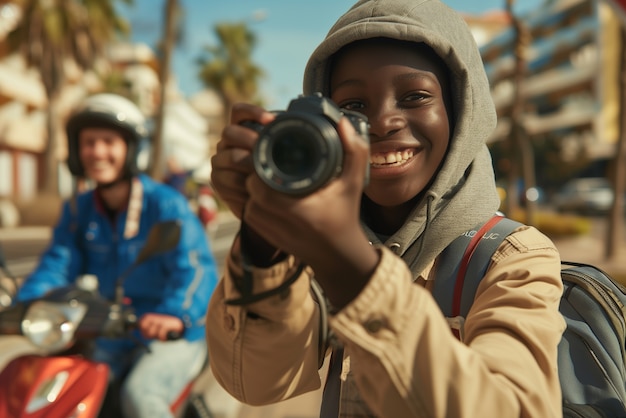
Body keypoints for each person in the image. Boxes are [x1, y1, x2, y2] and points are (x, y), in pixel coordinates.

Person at [206, 0, 565, 417]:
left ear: (462, 111)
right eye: (353, 106)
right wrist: (262, 242)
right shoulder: (313, 246)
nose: (382, 121)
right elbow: (256, 383)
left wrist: (354, 272)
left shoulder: (514, 259)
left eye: (415, 96)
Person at [16, 93, 219, 418]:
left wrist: (174, 314)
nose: (97, 152)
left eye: (108, 141)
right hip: (107, 331)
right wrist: (26, 303)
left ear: (131, 149)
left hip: (169, 333)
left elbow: (195, 270)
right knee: (59, 389)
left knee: (141, 396)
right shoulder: (77, 209)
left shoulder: (165, 204)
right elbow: (57, 263)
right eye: (89, 142)